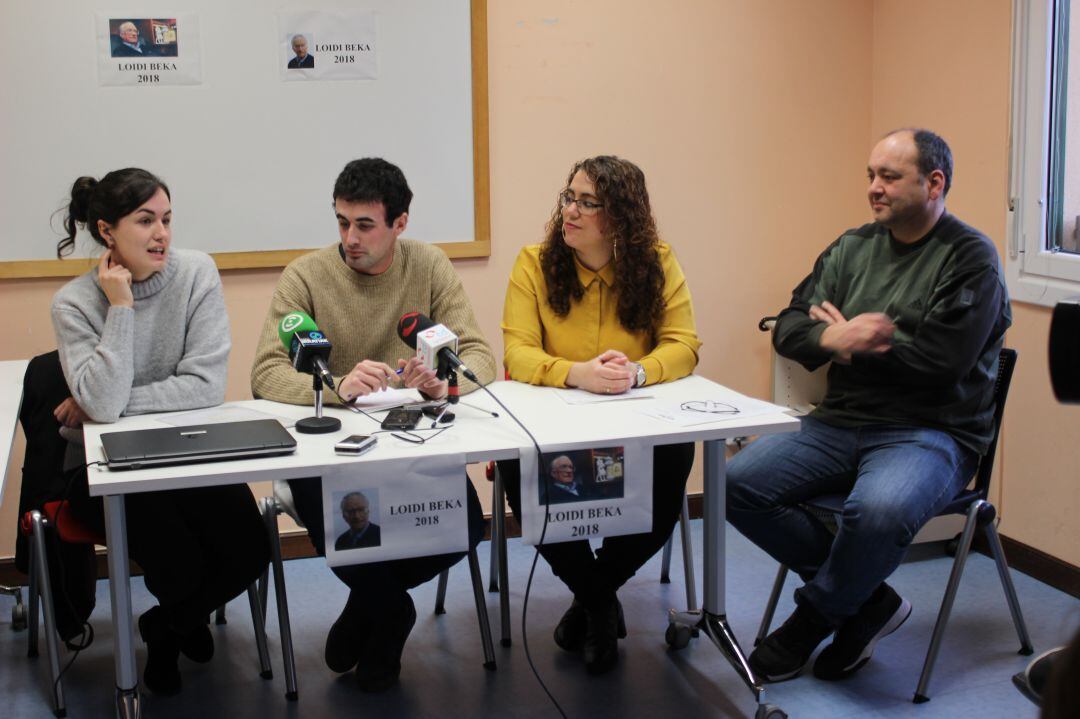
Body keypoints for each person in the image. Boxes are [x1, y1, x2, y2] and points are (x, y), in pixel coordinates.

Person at [726, 128, 1012, 683]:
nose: (874, 189)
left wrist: (856, 349)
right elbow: (789, 325)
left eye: (889, 177)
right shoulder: (851, 247)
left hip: (932, 431)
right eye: (870, 176)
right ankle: (868, 603)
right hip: (841, 422)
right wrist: (835, 341)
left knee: (876, 512)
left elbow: (943, 364)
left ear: (935, 183)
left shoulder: (971, 257)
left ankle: (811, 621)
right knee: (737, 485)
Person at [250, 157, 495, 691]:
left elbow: (478, 354)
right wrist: (336, 386)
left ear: (400, 223)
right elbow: (266, 373)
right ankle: (392, 613)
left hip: (412, 447)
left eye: (364, 225)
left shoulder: (428, 265)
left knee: (468, 528)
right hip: (330, 460)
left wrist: (442, 383)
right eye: (341, 222)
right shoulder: (307, 275)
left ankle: (369, 606)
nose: (349, 238)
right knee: (346, 529)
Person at [50, 168, 270, 695]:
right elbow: (101, 407)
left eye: (167, 220)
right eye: (145, 221)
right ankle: (182, 619)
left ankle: (166, 627)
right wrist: (121, 308)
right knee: (181, 563)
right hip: (103, 469)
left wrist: (109, 405)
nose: (162, 234)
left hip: (189, 453)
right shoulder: (75, 304)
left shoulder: (197, 274)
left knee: (249, 549)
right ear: (107, 231)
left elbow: (204, 387)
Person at [498, 154, 701, 675]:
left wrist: (636, 372)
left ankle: (592, 597)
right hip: (554, 428)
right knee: (517, 474)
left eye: (589, 203)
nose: (571, 211)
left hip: (636, 426)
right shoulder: (534, 262)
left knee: (675, 458)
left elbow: (683, 345)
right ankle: (599, 601)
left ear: (622, 217)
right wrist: (575, 373)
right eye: (569, 197)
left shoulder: (657, 262)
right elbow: (517, 354)